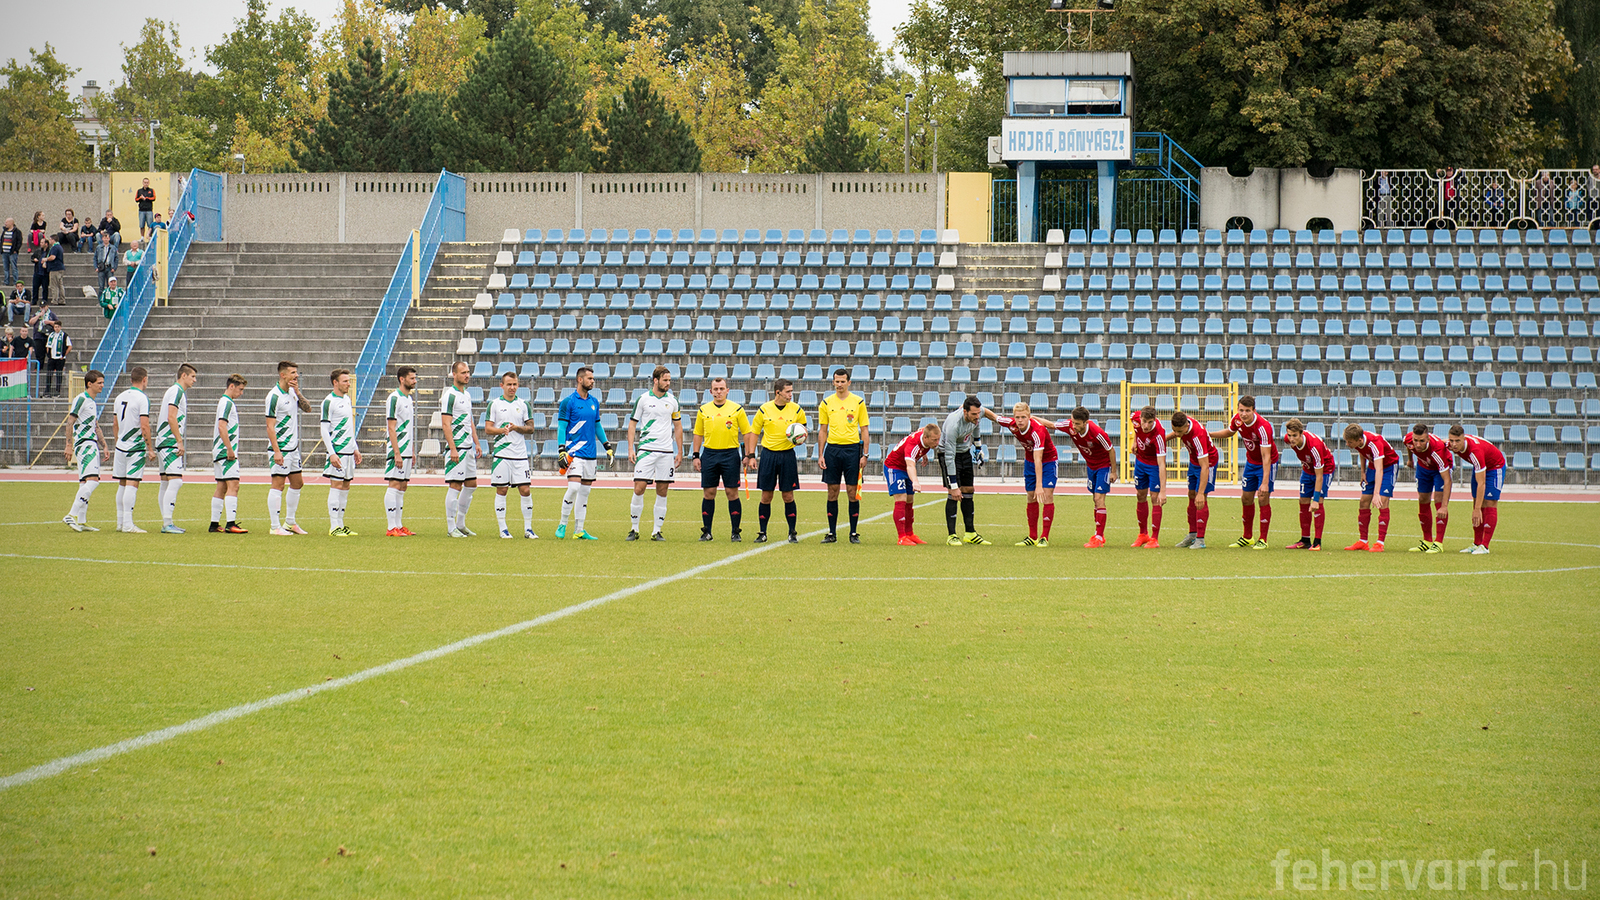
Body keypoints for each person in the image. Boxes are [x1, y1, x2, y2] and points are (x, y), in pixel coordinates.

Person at [1209, 395, 1278, 549]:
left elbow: (1266, 457)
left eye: (1247, 411)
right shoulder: (1237, 420)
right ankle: (1247, 537)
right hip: (1251, 463)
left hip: (1266, 464)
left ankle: (1263, 539)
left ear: (1254, 410)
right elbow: (1229, 432)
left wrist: (1265, 483)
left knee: (1262, 498)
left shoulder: (1263, 427)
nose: (1244, 414)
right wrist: (1210, 434)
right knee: (1246, 499)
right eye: (1241, 410)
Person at [692, 376, 755, 542]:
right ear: (710, 391)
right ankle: (707, 531)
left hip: (730, 455)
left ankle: (735, 531)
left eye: (721, 389)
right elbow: (698, 434)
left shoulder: (737, 409)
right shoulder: (703, 410)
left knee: (731, 492)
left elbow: (747, 433)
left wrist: (748, 455)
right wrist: (696, 455)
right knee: (709, 493)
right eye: (715, 389)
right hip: (709, 454)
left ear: (727, 390)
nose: (718, 392)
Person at [626, 364, 682, 541]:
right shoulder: (643, 399)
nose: (668, 383)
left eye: (670, 380)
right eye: (665, 380)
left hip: (666, 451)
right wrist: (631, 448)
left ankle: (656, 531)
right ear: (656, 380)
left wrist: (680, 451)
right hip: (646, 450)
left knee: (663, 490)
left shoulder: (673, 401)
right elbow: (632, 424)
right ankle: (634, 529)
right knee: (639, 488)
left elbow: (678, 427)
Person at [555, 365, 610, 540]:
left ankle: (579, 530)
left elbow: (597, 425)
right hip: (574, 453)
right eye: (589, 378)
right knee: (574, 488)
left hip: (590, 454)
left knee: (585, 493)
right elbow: (562, 427)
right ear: (580, 380)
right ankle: (562, 524)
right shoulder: (568, 402)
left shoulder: (594, 402)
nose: (593, 381)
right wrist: (561, 450)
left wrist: (607, 446)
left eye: (593, 378)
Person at [749, 377, 807, 544]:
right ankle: (762, 532)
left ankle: (792, 532)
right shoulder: (764, 409)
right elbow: (754, 433)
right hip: (769, 455)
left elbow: (803, 430)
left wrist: (800, 437)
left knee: (788, 496)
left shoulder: (796, 409)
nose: (790, 395)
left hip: (787, 456)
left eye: (791, 391)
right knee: (766, 496)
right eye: (787, 392)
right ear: (778, 392)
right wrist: (751, 455)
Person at [1051, 406, 1118, 548]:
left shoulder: (1097, 433)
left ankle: (1098, 537)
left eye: (1077, 424)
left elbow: (1111, 450)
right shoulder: (1070, 426)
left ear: (1085, 422)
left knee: (1099, 499)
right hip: (1091, 467)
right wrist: (1032, 419)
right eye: (1073, 422)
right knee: (1095, 500)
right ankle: (1098, 534)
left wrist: (1113, 471)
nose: (1074, 426)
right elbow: (1051, 425)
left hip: (1103, 466)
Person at [817, 368, 870, 543]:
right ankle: (832, 533)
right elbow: (823, 430)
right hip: (832, 450)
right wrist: (820, 454)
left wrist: (865, 454)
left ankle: (853, 533)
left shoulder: (858, 402)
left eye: (842, 381)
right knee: (832, 491)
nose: (839, 384)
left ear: (849, 382)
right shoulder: (826, 403)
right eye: (837, 381)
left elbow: (864, 429)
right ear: (833, 382)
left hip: (852, 451)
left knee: (852, 492)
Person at [994, 401, 1057, 546]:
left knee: (1046, 494)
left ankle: (1044, 537)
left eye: (1023, 417)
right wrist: (976, 408)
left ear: (1029, 417)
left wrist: (1039, 485)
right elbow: (993, 417)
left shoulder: (1038, 431)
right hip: (1030, 461)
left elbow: (1038, 458)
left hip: (1048, 461)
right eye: (1017, 417)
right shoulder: (1012, 424)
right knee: (1031, 495)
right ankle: (1032, 536)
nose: (1020, 420)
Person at [485, 371, 538, 539]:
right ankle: (503, 529)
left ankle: (528, 529)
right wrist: (502, 430)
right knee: (502, 490)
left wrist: (516, 428)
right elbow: (488, 429)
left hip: (520, 455)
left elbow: (531, 428)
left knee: (525, 490)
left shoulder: (523, 404)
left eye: (514, 384)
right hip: (502, 455)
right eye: (509, 384)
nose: (512, 387)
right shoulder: (494, 404)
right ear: (502, 385)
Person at [264, 359, 312, 536]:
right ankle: (275, 526)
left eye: (296, 372)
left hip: (293, 448)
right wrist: (276, 451)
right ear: (282, 375)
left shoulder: (292, 392)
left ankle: (290, 522)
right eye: (293, 373)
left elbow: (308, 409)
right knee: (278, 484)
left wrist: (298, 392)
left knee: (298, 483)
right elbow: (270, 426)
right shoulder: (273, 396)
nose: (296, 375)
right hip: (281, 448)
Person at [936, 395, 992, 546]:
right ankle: (952, 535)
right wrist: (954, 486)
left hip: (964, 452)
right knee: (954, 494)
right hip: (948, 454)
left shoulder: (977, 414)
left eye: (978, 413)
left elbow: (976, 426)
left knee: (968, 490)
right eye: (973, 414)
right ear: (965, 411)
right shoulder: (953, 425)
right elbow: (949, 457)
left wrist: (978, 448)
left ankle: (970, 533)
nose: (977, 416)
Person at [441, 361, 485, 538]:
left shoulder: (466, 394)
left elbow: (470, 420)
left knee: (471, 485)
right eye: (463, 372)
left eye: (468, 372)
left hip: (468, 448)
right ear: (454, 374)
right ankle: (451, 527)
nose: (467, 375)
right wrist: (453, 449)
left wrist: (477, 442)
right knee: (455, 486)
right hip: (457, 447)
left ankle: (460, 523)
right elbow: (446, 424)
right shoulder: (449, 396)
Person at [1447, 425, 1504, 555]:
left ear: (1464, 439)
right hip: (1480, 466)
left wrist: (1477, 510)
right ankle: (1477, 543)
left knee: (1489, 502)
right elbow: (1440, 443)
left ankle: (1485, 546)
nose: (1454, 444)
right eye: (1451, 440)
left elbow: (1481, 483)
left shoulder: (1475, 452)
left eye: (1457, 441)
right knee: (1476, 501)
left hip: (1495, 467)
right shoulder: (1450, 444)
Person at [61, 369, 107, 531]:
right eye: (99, 383)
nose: (102, 385)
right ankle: (71, 515)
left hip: (90, 443)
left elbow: (95, 425)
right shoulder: (81, 399)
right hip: (85, 444)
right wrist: (69, 445)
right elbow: (69, 422)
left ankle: (81, 521)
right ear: (89, 384)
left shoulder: (92, 402)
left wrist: (104, 445)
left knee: (84, 483)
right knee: (93, 481)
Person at [153, 363, 196, 533]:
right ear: (183, 375)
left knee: (165, 482)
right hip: (169, 441)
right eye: (192, 376)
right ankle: (167, 523)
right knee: (176, 481)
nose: (194, 380)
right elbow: (171, 417)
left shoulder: (174, 391)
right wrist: (179, 441)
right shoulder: (177, 391)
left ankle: (167, 521)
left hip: (163, 441)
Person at [112, 366, 155, 533]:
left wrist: (118, 442)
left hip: (121, 446)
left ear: (131, 380)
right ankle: (128, 524)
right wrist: (150, 448)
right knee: (132, 483)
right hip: (135, 447)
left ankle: (120, 522)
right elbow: (144, 425)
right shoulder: (142, 398)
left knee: (122, 484)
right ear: (144, 379)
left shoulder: (119, 397)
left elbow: (115, 424)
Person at [1342, 424, 1398, 552]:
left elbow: (1380, 469)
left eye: (1349, 442)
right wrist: (1363, 472)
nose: (1347, 444)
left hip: (1388, 467)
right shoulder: (1359, 441)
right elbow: (1362, 452)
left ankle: (1380, 543)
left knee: (1382, 501)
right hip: (1372, 467)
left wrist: (1376, 493)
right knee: (1363, 501)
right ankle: (1363, 541)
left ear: (1359, 440)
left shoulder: (1375, 443)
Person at [319, 368, 362, 536]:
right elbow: (324, 429)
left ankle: (341, 524)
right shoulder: (328, 402)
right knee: (336, 485)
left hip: (349, 451)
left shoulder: (346, 400)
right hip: (338, 451)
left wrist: (355, 448)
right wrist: (331, 453)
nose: (348, 384)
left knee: (345, 486)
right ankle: (333, 526)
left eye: (349, 381)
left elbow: (349, 426)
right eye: (345, 381)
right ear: (335, 382)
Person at [885, 422, 941, 545]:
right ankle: (901, 537)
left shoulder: (925, 434)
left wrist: (923, 454)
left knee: (910, 500)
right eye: (934, 440)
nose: (937, 443)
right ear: (925, 438)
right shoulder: (913, 445)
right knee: (901, 498)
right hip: (894, 467)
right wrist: (915, 481)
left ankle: (910, 534)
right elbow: (910, 465)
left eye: (938, 439)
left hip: (905, 467)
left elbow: (922, 428)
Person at [1280, 419, 1332, 550]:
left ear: (1301, 433)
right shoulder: (1288, 439)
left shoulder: (1314, 447)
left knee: (1318, 502)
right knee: (1303, 500)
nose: (1291, 439)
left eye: (1295, 435)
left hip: (1324, 470)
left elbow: (1319, 476)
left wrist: (1315, 500)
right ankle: (1305, 540)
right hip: (1307, 469)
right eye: (1289, 435)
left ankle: (1317, 542)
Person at [1169, 412, 1218, 549]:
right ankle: (1192, 535)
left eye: (1179, 432)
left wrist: (1201, 493)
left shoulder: (1197, 436)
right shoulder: (1183, 422)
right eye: (1174, 430)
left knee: (1200, 498)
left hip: (1208, 463)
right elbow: (1175, 433)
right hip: (1194, 461)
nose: (1176, 434)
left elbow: (1205, 466)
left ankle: (1200, 540)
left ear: (1186, 427)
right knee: (1191, 495)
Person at [1404, 424, 1453, 553]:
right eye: (1415, 440)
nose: (1418, 444)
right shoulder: (1408, 439)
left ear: (1428, 439)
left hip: (1439, 470)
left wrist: (1444, 506)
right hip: (1423, 467)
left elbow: (1447, 480)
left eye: (1422, 441)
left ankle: (1438, 543)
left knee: (1438, 500)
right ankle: (1427, 541)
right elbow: (1409, 446)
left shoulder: (1437, 451)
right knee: (1423, 499)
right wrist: (1410, 460)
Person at [210, 373, 248, 534]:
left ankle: (214, 524)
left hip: (218, 450)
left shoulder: (224, 402)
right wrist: (230, 448)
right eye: (240, 389)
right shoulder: (226, 403)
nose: (241, 393)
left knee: (222, 486)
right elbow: (222, 426)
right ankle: (230, 523)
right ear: (231, 386)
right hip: (225, 451)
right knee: (234, 485)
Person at [384, 366, 419, 536]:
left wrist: (411, 450)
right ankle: (391, 527)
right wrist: (396, 452)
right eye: (412, 378)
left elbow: (408, 428)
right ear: (402, 379)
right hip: (396, 450)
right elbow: (391, 428)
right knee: (394, 484)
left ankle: (398, 525)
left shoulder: (408, 399)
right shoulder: (394, 398)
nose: (415, 381)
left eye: (415, 378)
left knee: (403, 486)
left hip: (406, 450)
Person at [1129, 406, 1168, 548]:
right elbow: (1136, 429)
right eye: (1144, 421)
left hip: (1154, 466)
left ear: (1154, 420)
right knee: (1140, 495)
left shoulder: (1159, 434)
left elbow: (1162, 464)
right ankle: (1143, 534)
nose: (1146, 426)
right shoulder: (1134, 418)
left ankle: (1154, 538)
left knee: (1155, 498)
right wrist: (1135, 441)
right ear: (1140, 418)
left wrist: (1163, 491)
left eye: (1150, 422)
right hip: (1140, 463)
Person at [42, 321, 69, 397]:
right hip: (52, 358)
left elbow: (69, 346)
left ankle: (57, 391)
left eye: (58, 327)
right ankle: (47, 391)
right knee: (49, 374)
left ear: (60, 327)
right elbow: (48, 346)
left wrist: (63, 355)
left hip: (60, 358)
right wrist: (49, 355)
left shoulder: (64, 335)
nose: (56, 328)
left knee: (59, 375)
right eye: (55, 327)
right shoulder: (51, 335)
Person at [42, 234, 65, 306]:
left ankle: (54, 300)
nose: (49, 241)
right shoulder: (60, 247)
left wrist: (46, 259)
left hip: (55, 269)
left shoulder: (55, 247)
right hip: (60, 268)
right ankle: (62, 299)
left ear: (53, 240)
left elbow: (53, 257)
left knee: (54, 285)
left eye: (50, 239)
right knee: (60, 285)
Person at [0, 217, 20, 286]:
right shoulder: (4, 231)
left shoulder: (17, 232)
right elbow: (1, 240)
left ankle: (16, 281)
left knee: (14, 267)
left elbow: (19, 241)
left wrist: (15, 250)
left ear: (11, 223)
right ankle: (6, 281)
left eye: (7, 222)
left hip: (12, 253)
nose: (5, 224)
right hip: (4, 252)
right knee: (5, 268)